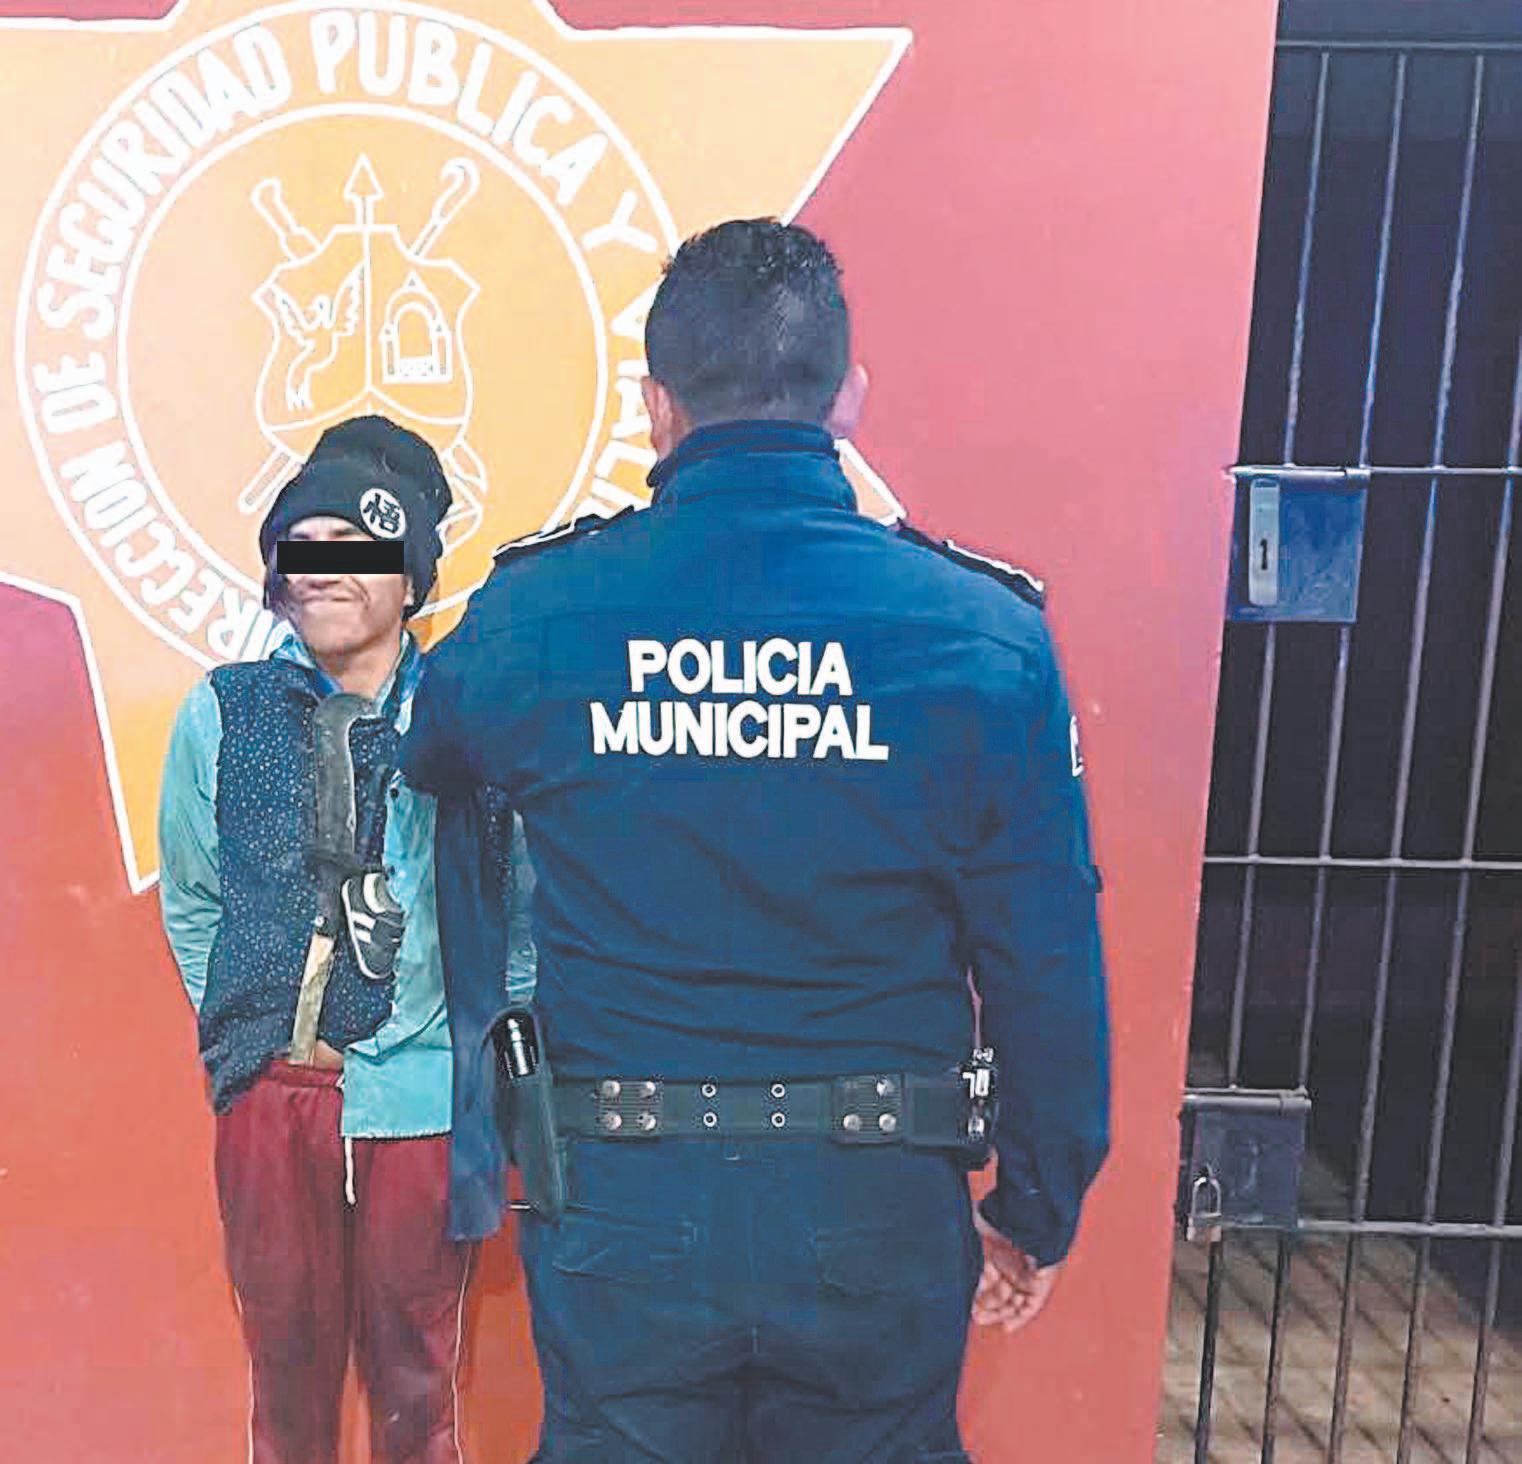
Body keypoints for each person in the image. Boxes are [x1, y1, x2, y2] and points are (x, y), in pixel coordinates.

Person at [403, 220, 1111, 1463]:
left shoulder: (538, 612)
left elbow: (430, 755)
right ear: (847, 398)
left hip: (624, 1201)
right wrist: (1037, 1205)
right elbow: (1044, 965)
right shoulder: (981, 635)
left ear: (656, 407)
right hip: (874, 1200)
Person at [158, 416, 479, 1464]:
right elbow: (194, 899)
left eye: (359, 545)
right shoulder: (223, 712)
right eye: (305, 545)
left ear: (411, 573)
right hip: (272, 1099)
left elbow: (515, 909)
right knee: (285, 1383)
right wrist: (252, 1045)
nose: (326, 570)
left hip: (419, 1104)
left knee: (415, 1386)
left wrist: (477, 1060)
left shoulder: (467, 716)